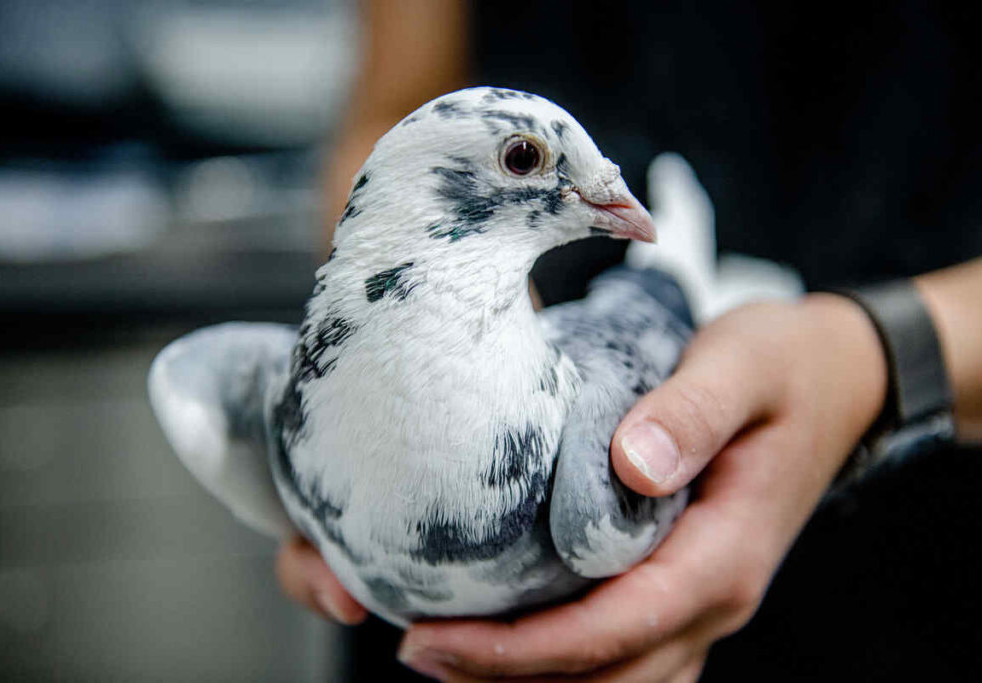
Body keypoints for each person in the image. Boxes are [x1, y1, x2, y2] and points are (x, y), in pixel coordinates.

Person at [279, 2, 982, 680]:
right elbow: (394, 120)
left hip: (911, 542)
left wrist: (876, 357)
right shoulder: (285, 411)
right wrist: (399, 371)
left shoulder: (599, 468)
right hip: (432, 634)